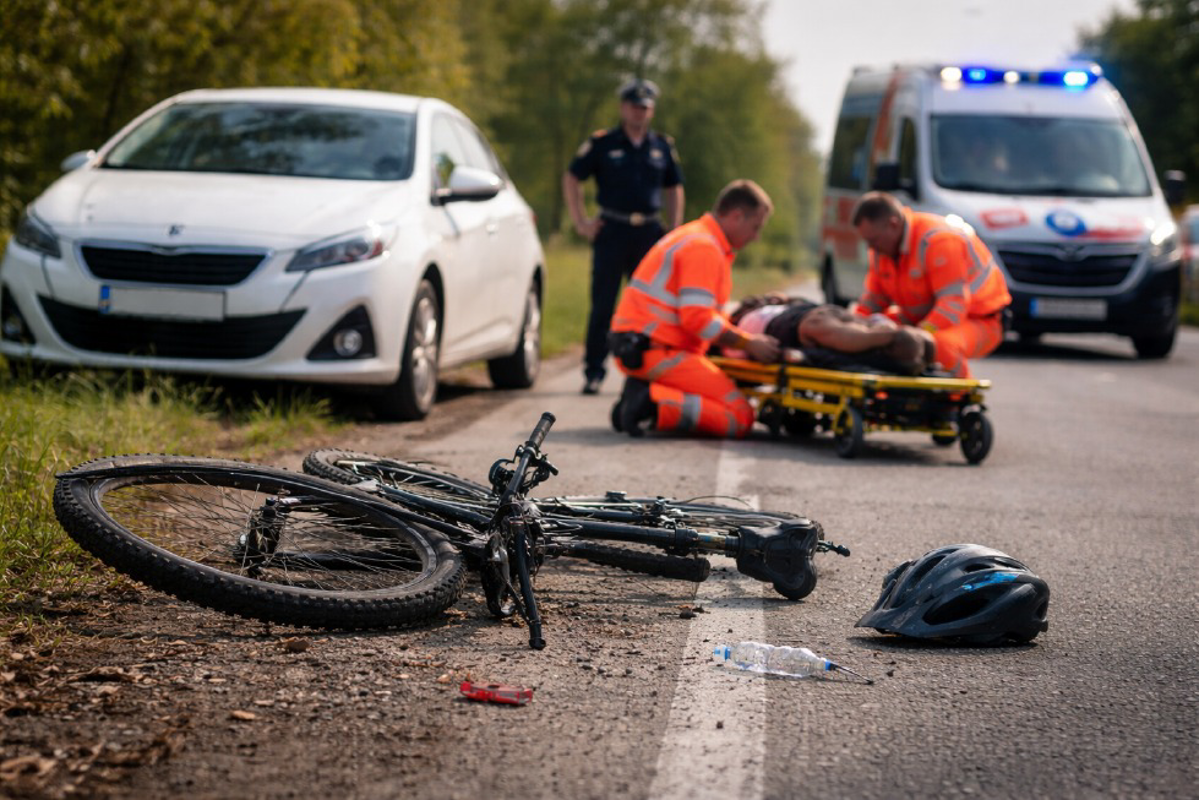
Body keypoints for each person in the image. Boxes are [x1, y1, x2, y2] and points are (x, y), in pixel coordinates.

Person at [608, 179, 779, 438]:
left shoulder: (696, 236)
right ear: (736, 216)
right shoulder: (704, 248)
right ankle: (650, 402)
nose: (756, 237)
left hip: (643, 347)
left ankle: (646, 396)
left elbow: (699, 313)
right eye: (756, 227)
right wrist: (748, 343)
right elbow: (697, 320)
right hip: (658, 351)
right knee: (739, 416)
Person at [564, 78, 685, 395]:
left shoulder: (661, 146)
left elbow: (674, 188)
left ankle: (644, 372)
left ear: (652, 111)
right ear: (623, 108)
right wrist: (581, 221)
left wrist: (674, 232)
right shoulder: (604, 143)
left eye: (644, 107)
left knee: (649, 307)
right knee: (603, 304)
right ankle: (594, 370)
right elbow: (572, 176)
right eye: (634, 106)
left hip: (648, 233)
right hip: (611, 230)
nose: (639, 112)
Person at [851, 191, 1011, 378]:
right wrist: (855, 327)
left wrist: (917, 335)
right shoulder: (881, 250)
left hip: (982, 320)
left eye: (873, 240)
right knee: (876, 336)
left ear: (893, 225)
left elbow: (952, 306)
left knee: (938, 346)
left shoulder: (938, 241)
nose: (870, 248)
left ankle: (957, 398)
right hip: (922, 318)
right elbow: (874, 299)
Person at [723, 293, 935, 375]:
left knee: (844, 334)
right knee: (857, 326)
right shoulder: (764, 311)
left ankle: (887, 337)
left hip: (803, 324)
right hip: (820, 313)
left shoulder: (744, 322)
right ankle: (889, 334)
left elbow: (734, 350)